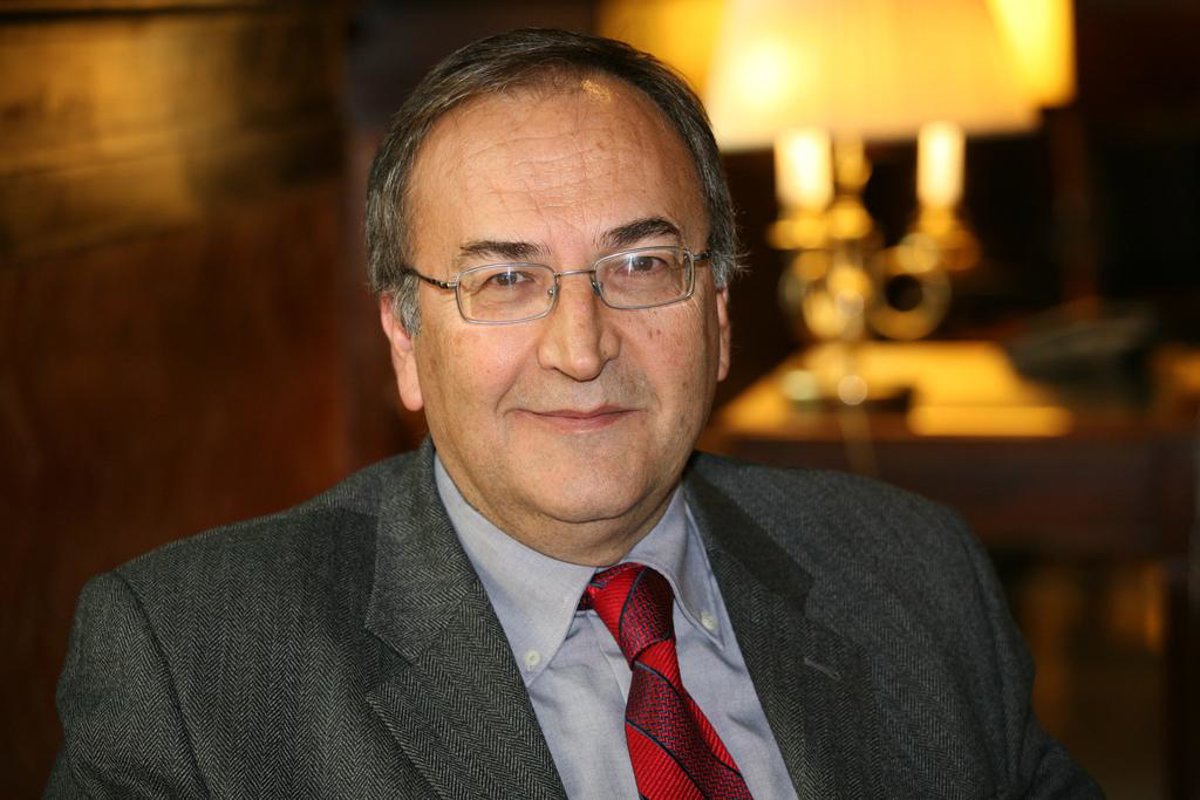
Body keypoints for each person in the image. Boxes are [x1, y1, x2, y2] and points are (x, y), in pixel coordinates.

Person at [47, 28, 1100, 799]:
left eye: (640, 265)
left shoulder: (915, 575)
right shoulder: (191, 666)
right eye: (505, 280)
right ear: (406, 339)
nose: (582, 347)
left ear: (718, 315)